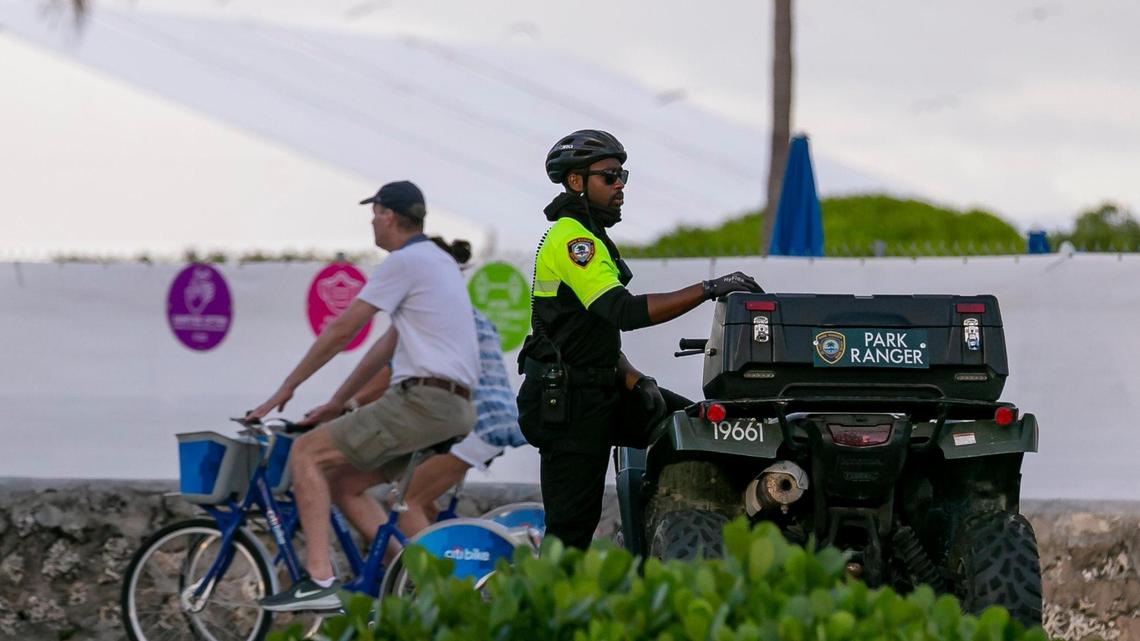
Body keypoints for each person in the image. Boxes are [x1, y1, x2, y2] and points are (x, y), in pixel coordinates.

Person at [516, 129, 764, 549]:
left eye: (623, 176)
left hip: (600, 389)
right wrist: (708, 288)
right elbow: (623, 312)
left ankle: (676, 535)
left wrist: (634, 378)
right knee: (570, 532)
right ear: (575, 182)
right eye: (609, 177)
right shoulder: (572, 240)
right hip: (570, 405)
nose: (620, 187)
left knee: (699, 428)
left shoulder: (591, 236)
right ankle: (548, 610)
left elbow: (590, 332)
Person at [247, 181, 479, 612]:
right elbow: (384, 346)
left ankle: (318, 580)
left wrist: (286, 387)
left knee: (306, 454)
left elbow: (342, 330)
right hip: (454, 408)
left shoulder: (406, 261)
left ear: (388, 215)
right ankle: (417, 584)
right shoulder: (437, 262)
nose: (371, 222)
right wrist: (338, 402)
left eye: (373, 214)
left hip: (423, 401)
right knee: (344, 483)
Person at [335, 237, 528, 535]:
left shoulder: (432, 316)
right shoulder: (467, 313)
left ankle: (430, 580)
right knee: (419, 500)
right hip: (490, 422)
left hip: (477, 425)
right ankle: (439, 558)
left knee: (405, 500)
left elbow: (386, 375)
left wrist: (347, 407)